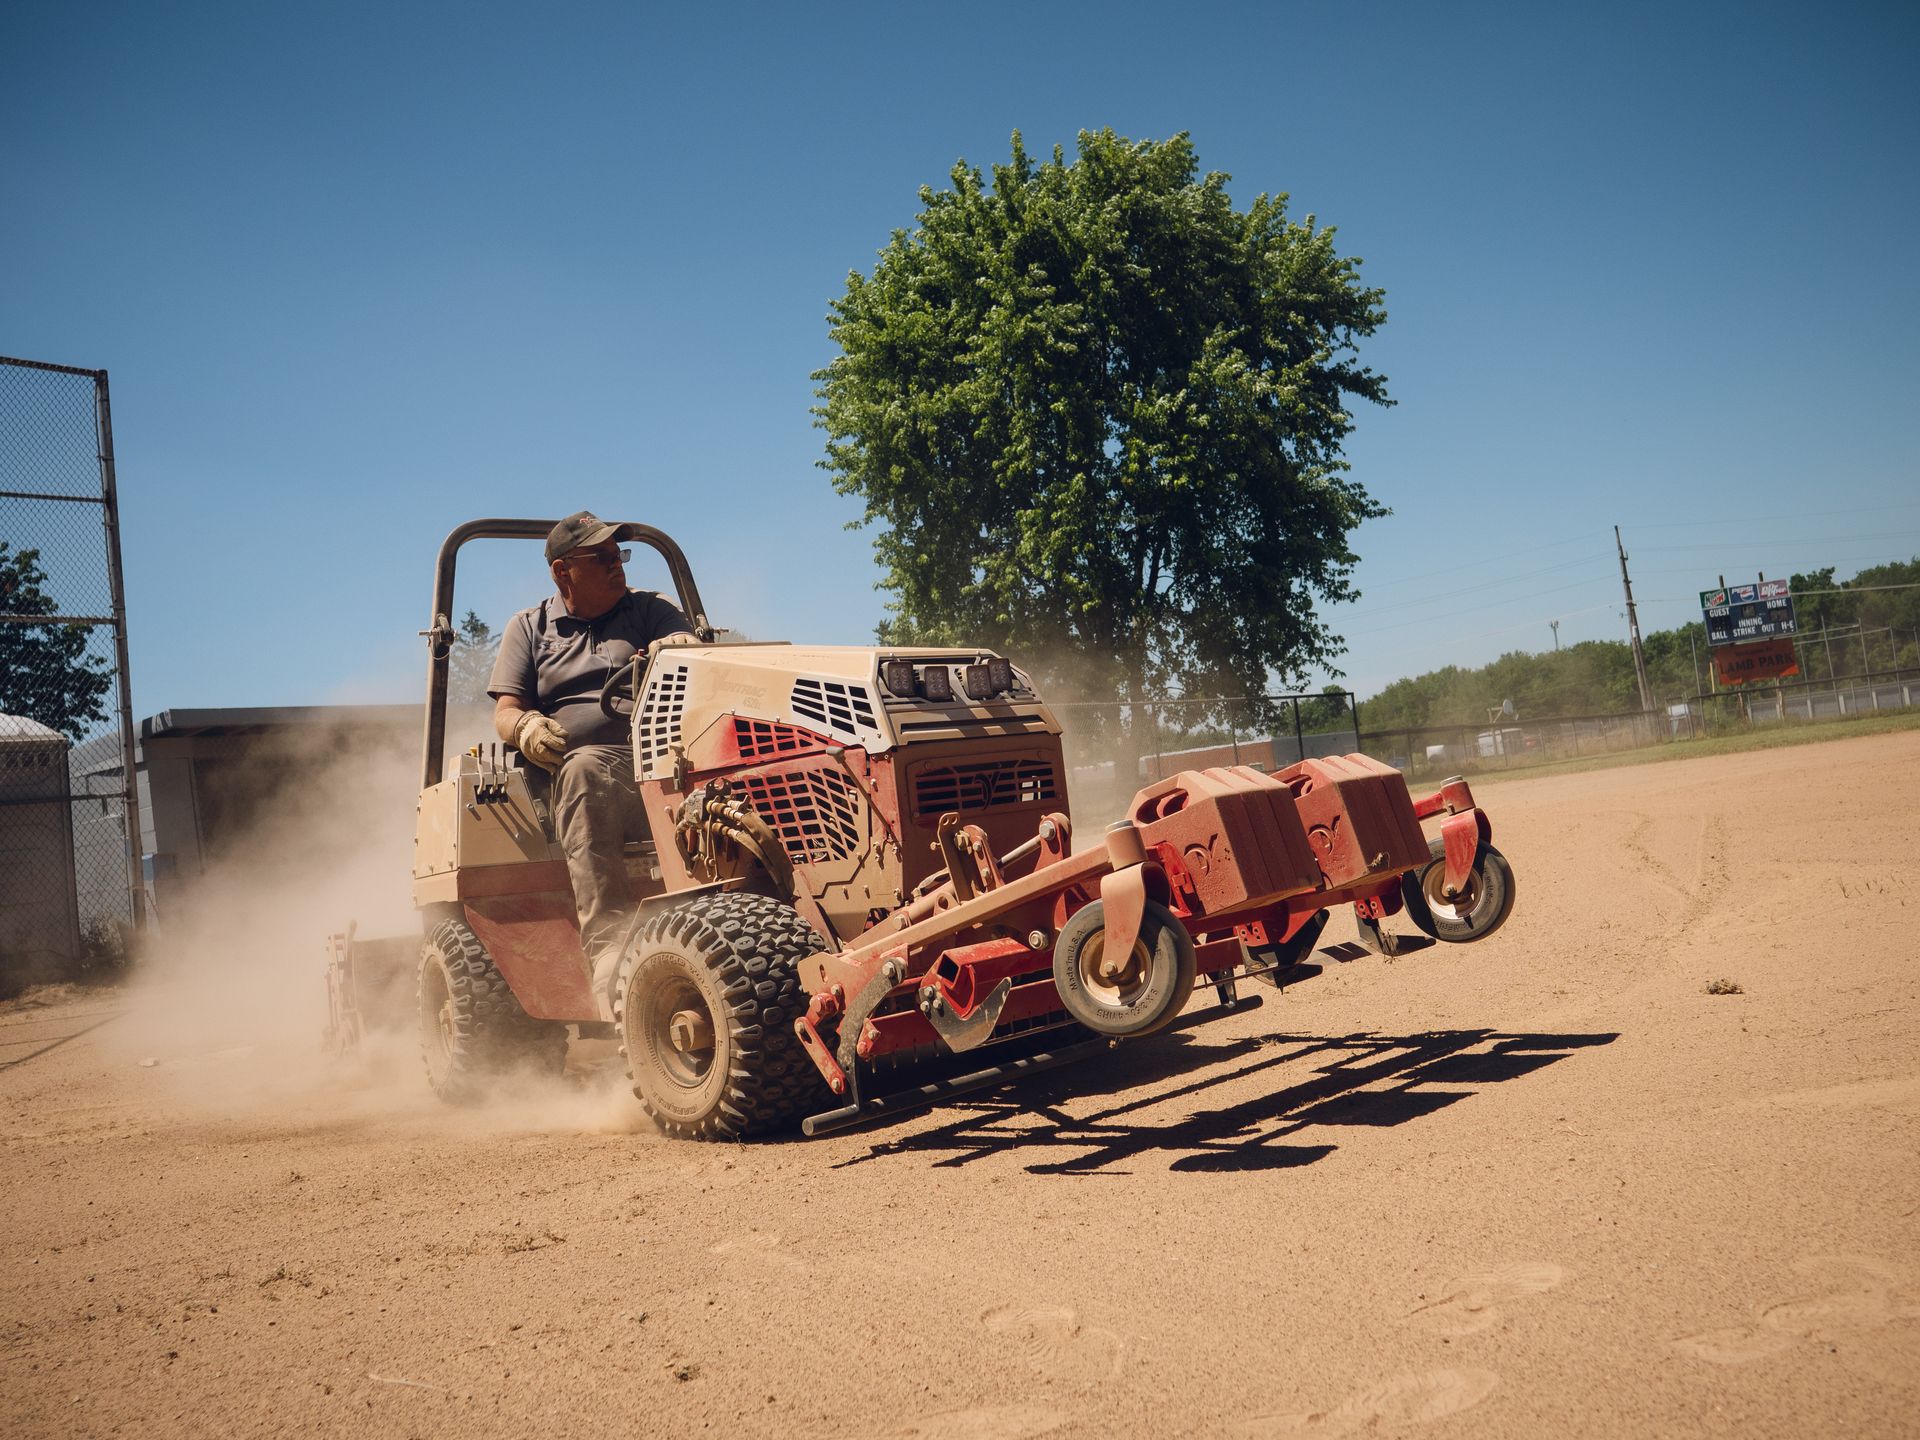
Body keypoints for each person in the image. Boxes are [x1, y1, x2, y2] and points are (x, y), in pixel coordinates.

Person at [488, 511, 694, 1007]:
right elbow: (506, 709)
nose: (615, 564)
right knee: (585, 769)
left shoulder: (650, 609)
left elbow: (692, 649)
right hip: (578, 776)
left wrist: (680, 648)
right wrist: (526, 727)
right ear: (563, 572)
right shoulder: (529, 627)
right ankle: (609, 951)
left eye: (618, 554)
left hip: (664, 757)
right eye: (600, 557)